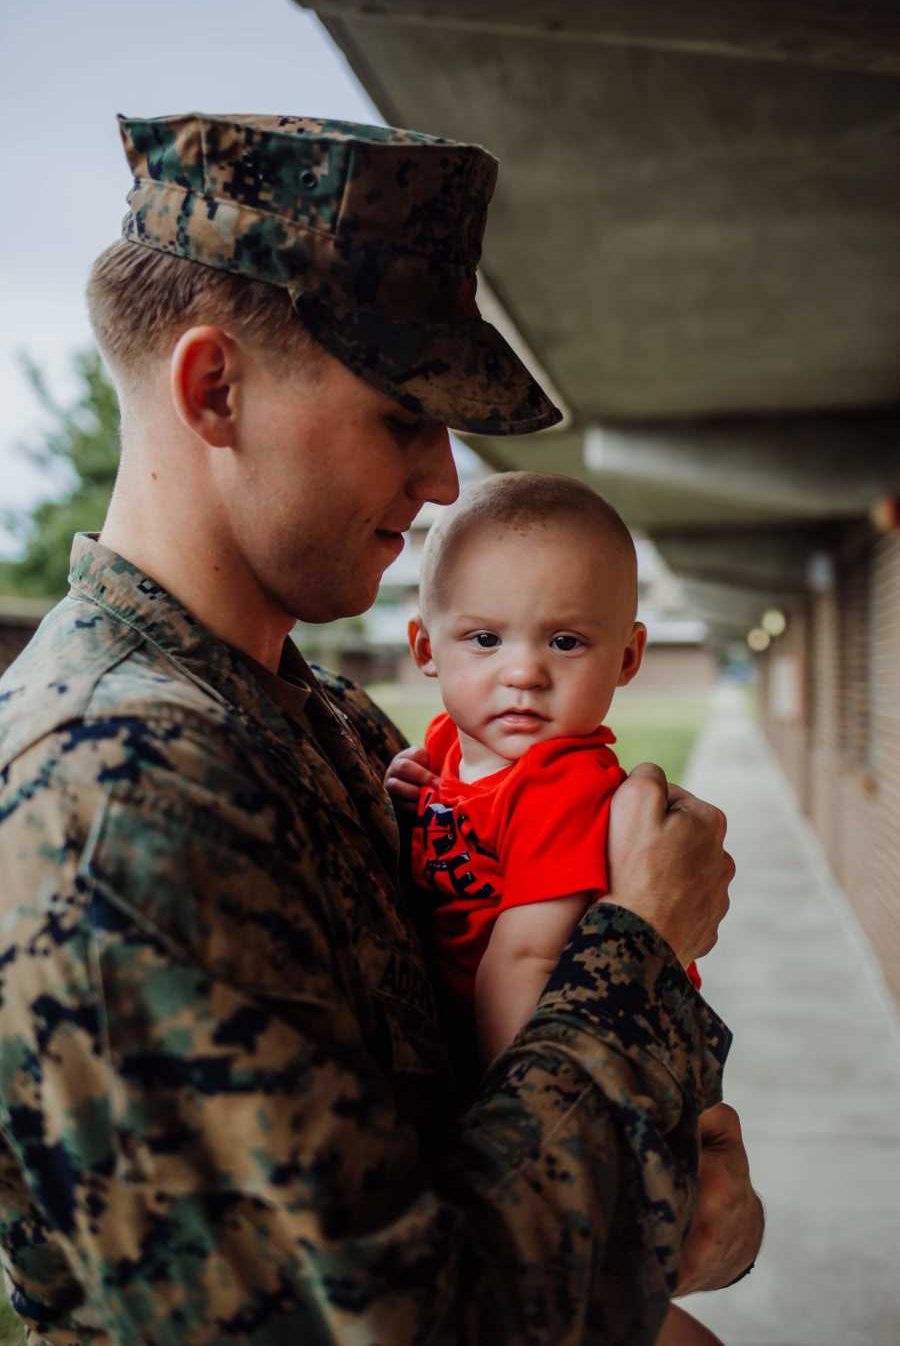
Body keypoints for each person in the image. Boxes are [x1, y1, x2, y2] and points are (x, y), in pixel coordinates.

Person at [0, 112, 762, 1344]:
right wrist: (638, 943)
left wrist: (678, 1197)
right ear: (213, 387)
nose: (446, 479)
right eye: (403, 413)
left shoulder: (333, 726)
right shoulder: (117, 792)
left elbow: (492, 1134)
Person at [384, 472, 726, 1345]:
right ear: (427, 648)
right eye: (485, 638)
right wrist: (409, 797)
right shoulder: (447, 752)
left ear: (629, 657)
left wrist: (514, 1139)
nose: (524, 673)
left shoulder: (564, 784)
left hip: (598, 1078)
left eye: (566, 641)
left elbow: (526, 958)